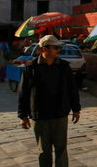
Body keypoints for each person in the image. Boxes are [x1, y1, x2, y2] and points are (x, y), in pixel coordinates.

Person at [18, 35, 81, 167]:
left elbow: (72, 89)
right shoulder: (31, 68)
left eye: (59, 48)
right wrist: (23, 115)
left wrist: (76, 109)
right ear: (44, 49)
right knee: (44, 150)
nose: (58, 50)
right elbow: (24, 93)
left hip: (60, 114)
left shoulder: (64, 67)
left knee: (61, 149)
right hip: (40, 115)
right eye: (55, 48)